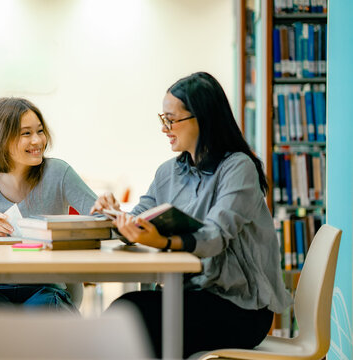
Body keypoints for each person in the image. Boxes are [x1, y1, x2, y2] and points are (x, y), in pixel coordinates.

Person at [91, 72, 292, 358]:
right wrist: (109, 214)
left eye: (171, 120)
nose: (165, 128)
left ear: (202, 118)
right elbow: (136, 216)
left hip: (240, 308)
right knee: (126, 314)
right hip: (189, 296)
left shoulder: (238, 168)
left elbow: (215, 237)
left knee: (131, 316)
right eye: (163, 119)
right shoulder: (168, 173)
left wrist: (165, 242)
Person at [0, 97, 97, 313]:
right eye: (26, 133)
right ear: (2, 139)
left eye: (40, 131)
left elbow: (100, 217)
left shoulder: (59, 173)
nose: (38, 141)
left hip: (45, 286)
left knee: (41, 315)